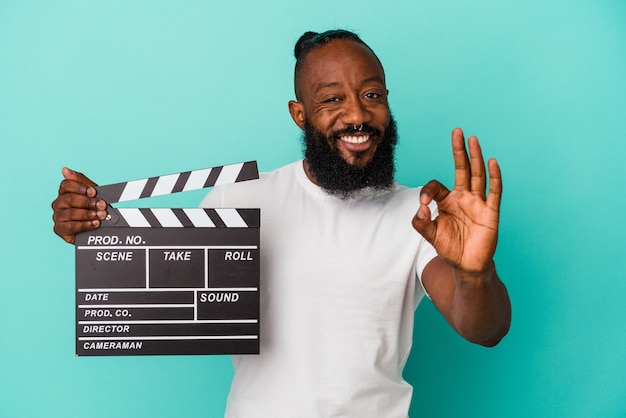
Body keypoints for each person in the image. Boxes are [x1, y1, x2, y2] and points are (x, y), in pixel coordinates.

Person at [52, 29, 511, 417]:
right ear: (300, 114)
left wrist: (476, 272)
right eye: (332, 99)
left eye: (371, 95)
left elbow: (485, 330)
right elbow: (164, 287)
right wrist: (99, 227)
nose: (357, 114)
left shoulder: (420, 215)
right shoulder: (241, 198)